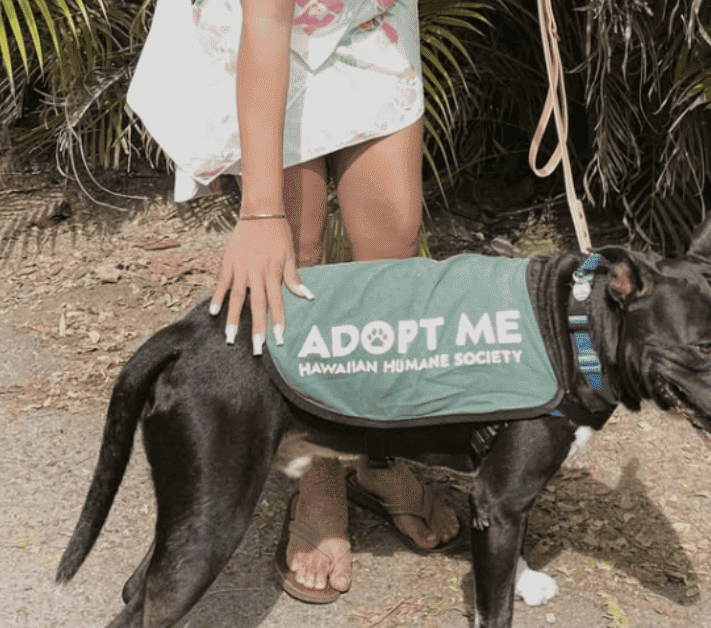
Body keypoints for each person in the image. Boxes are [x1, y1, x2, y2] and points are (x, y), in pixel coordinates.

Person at [127, 0, 461, 603]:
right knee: (296, 259)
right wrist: (259, 213)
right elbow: (269, 21)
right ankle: (318, 471)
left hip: (367, 17)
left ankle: (377, 456)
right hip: (270, 25)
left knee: (391, 253)